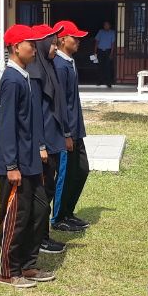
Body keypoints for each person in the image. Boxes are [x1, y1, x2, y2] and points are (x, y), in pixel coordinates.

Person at [0, 23, 51, 288]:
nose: (35, 48)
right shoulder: (11, 80)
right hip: (15, 162)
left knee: (39, 210)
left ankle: (28, 264)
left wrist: (38, 151)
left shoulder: (25, 76)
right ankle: (8, 270)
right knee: (16, 216)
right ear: (16, 47)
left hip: (29, 159)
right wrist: (11, 164)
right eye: (30, 43)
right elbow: (6, 126)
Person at [25, 23, 68, 258]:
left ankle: (43, 235)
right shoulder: (34, 73)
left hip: (53, 141)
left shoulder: (49, 67)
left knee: (48, 191)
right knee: (41, 196)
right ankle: (38, 238)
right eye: (52, 42)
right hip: (43, 144)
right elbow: (35, 114)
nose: (55, 46)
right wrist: (40, 144)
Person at [50, 20, 91, 233]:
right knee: (65, 175)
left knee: (81, 170)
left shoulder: (69, 62)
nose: (78, 41)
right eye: (75, 37)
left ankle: (68, 211)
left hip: (76, 129)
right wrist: (66, 133)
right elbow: (60, 104)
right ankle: (57, 218)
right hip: (66, 131)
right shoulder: (59, 64)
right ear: (62, 39)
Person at [95, 20, 116, 88]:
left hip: (108, 51)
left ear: (110, 26)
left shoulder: (112, 32)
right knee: (100, 66)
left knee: (108, 67)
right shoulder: (100, 32)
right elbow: (97, 41)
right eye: (105, 25)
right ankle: (100, 81)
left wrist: (111, 53)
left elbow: (113, 44)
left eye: (107, 25)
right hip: (100, 51)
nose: (106, 26)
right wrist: (95, 51)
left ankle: (108, 82)